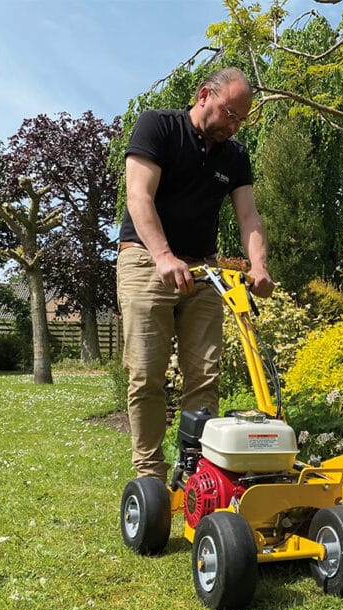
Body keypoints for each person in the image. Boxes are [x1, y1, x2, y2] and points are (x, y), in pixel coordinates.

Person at [117, 67, 274, 481]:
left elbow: (249, 217)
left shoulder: (235, 156)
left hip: (204, 271)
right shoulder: (158, 126)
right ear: (205, 95)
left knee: (204, 377)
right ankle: (149, 476)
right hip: (147, 262)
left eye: (241, 119)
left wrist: (258, 266)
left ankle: (196, 476)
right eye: (229, 113)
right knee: (146, 375)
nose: (233, 125)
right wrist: (164, 255)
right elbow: (138, 196)